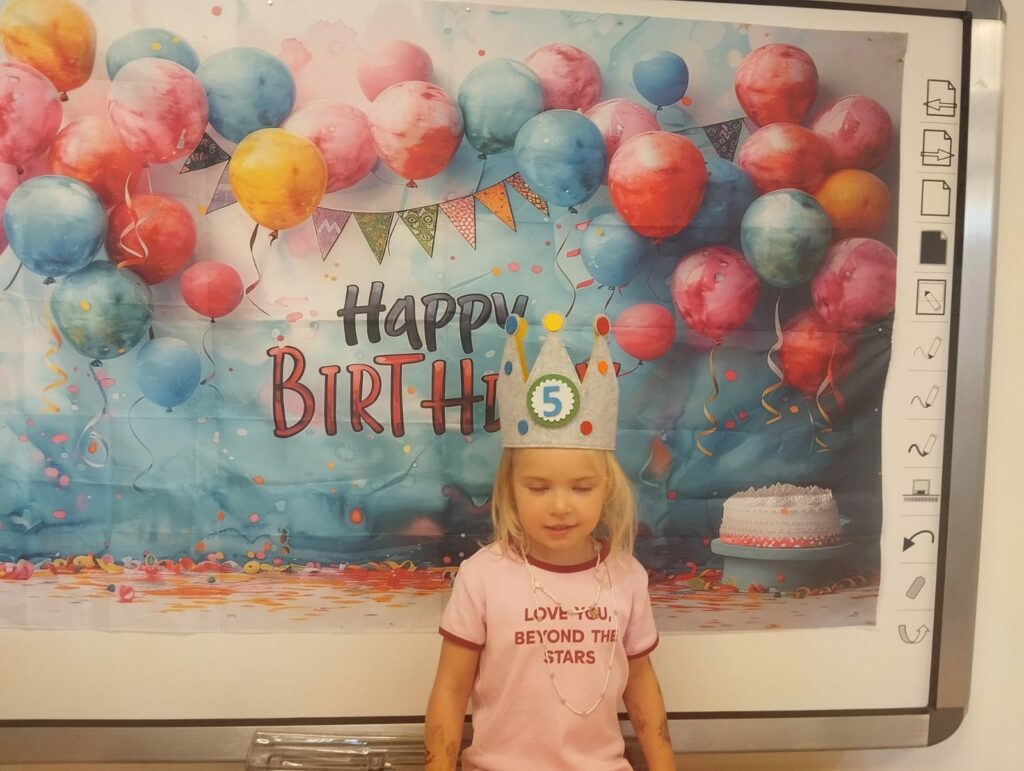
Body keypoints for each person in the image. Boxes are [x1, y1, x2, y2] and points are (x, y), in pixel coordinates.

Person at [425, 312, 676, 771]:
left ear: (606, 488)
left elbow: (641, 684)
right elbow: (450, 689)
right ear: (510, 489)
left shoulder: (627, 577)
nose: (560, 507)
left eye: (581, 488)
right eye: (539, 488)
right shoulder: (482, 577)